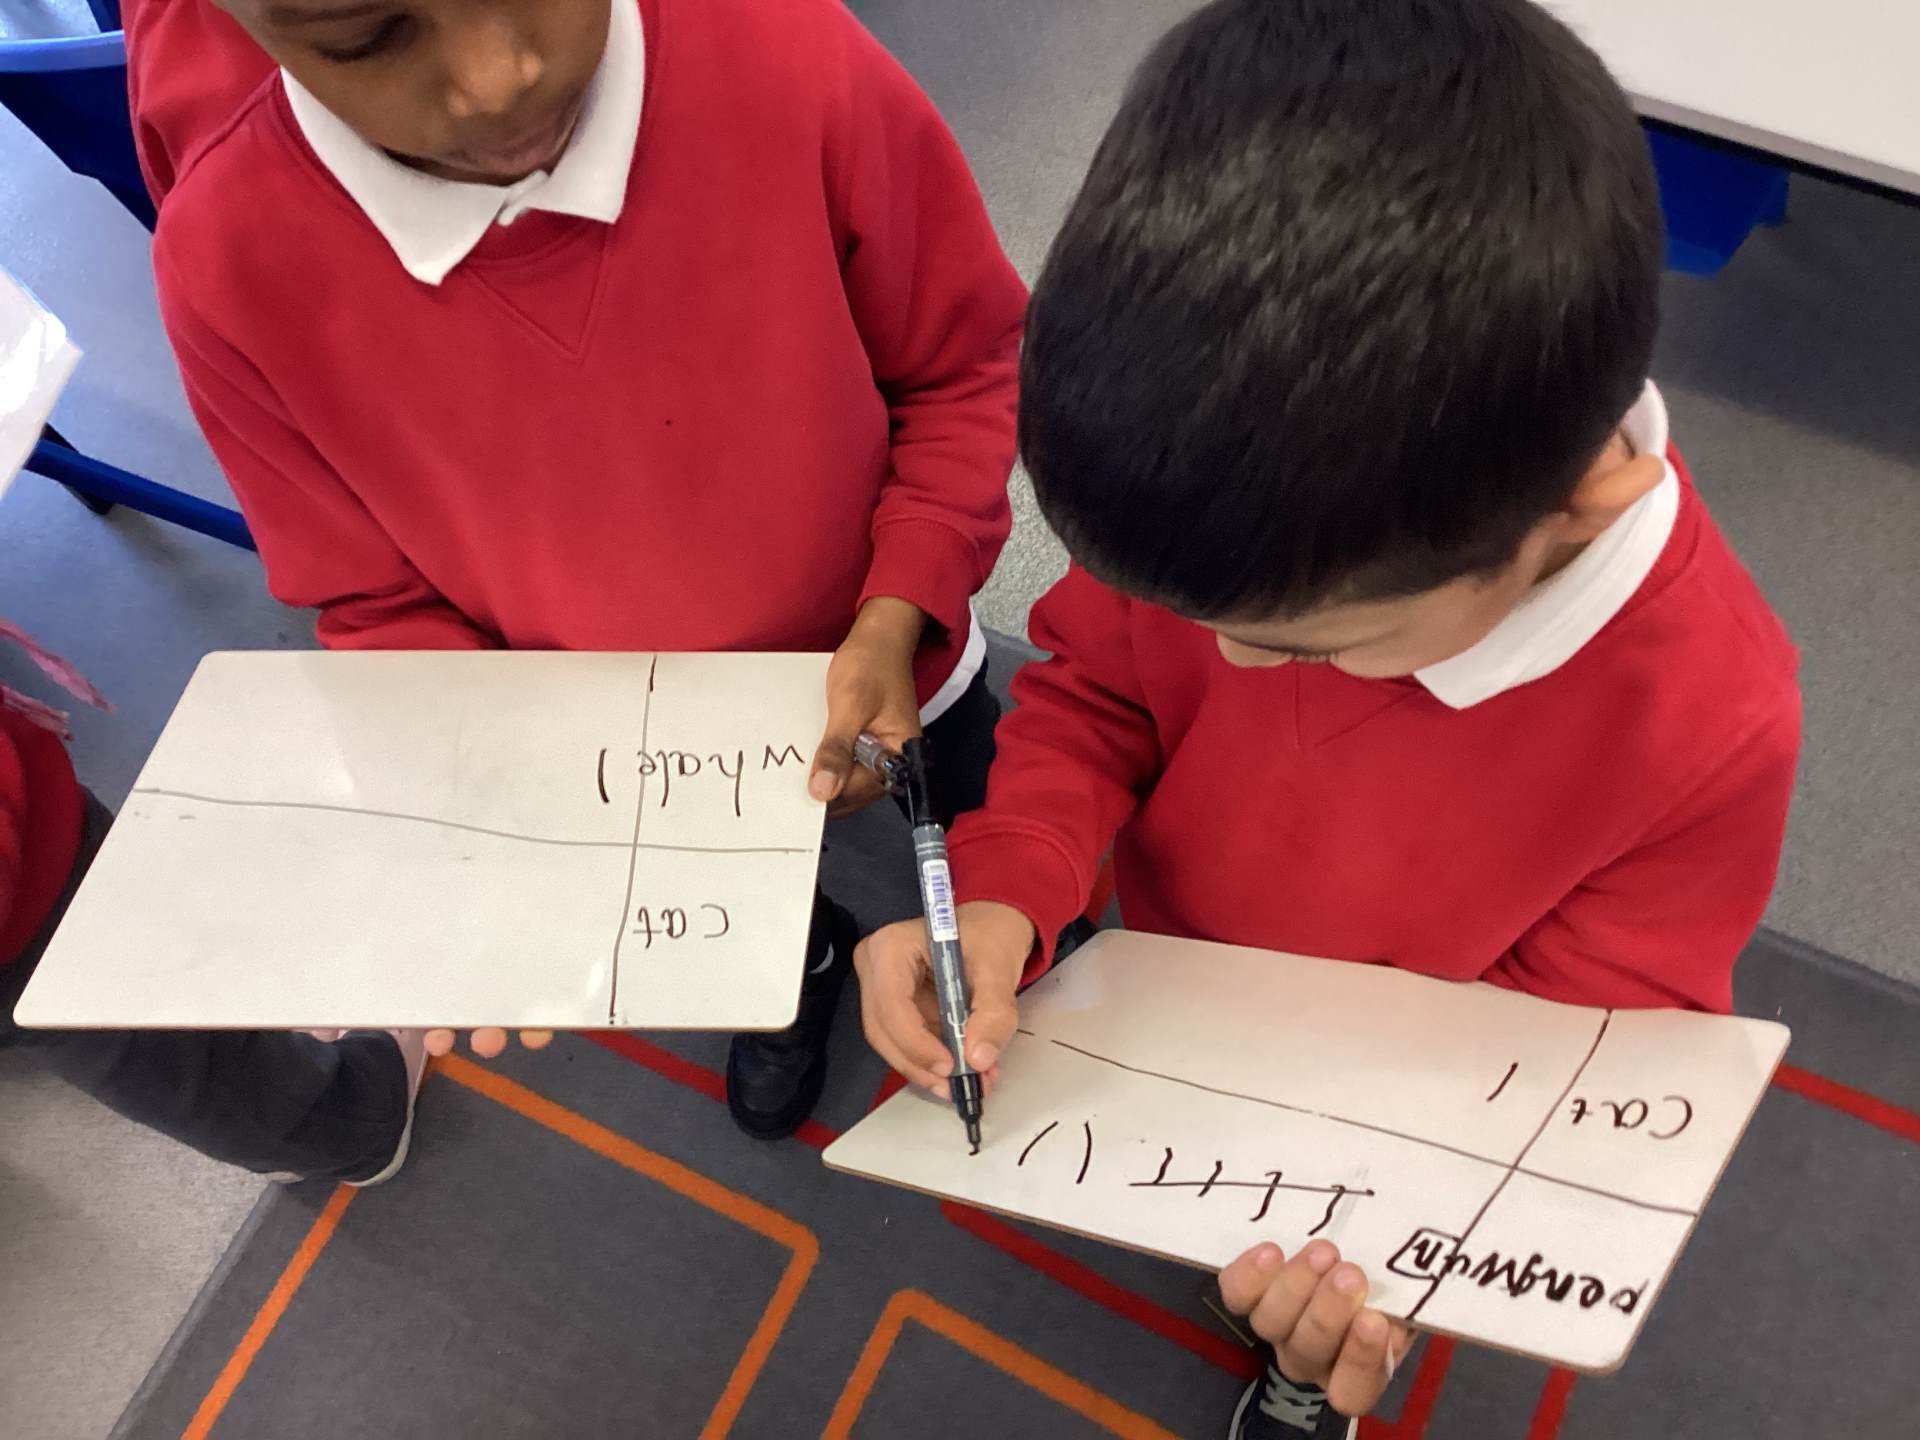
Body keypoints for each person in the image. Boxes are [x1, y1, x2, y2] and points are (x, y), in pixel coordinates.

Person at [852, 1, 1801, 1434]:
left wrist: (1388, 1236)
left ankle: (1303, 1386)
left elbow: (1581, 1061)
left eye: (1309, 643)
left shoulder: (1709, 720)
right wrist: (1005, 891)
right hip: (1166, 996)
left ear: (1572, 509)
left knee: (1307, 1324)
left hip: (1380, 1137)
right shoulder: (1249, 501)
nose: (1228, 662)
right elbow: (1097, 693)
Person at [141, 0, 1026, 1136]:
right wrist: (496, 816)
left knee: (986, 808)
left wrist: (899, 608)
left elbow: (961, 368)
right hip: (626, 773)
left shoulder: (784, 49)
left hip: (906, 647)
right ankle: (791, 966)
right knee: (736, 896)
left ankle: (1013, 930)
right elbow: (373, 603)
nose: (498, 78)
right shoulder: (229, 262)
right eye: (367, 40)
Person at [0, 272, 424, 1186]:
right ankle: (349, 1125)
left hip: (32, 846)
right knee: (162, 1035)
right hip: (27, 897)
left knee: (134, 973)